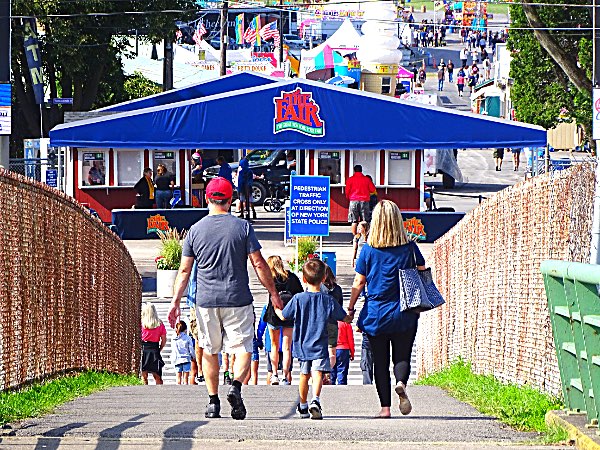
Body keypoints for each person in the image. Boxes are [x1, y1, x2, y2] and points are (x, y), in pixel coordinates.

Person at [168, 177, 283, 420]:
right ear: (231, 200)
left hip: (205, 301)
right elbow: (259, 263)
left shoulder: (195, 231)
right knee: (243, 348)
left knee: (210, 350)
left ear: (207, 199)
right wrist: (273, 293)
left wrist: (175, 301)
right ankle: (235, 387)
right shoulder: (242, 227)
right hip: (238, 299)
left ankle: (212, 402)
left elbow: (185, 271)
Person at [347, 200, 427, 418]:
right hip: (405, 310)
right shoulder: (410, 247)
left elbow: (359, 282)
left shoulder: (369, 250)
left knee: (380, 362)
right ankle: (400, 382)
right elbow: (422, 269)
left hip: (376, 313)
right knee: (402, 356)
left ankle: (385, 409)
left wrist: (351, 307)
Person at [275, 259, 352, 420]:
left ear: (304, 279)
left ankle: (303, 405)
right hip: (320, 345)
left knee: (304, 375)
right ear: (324, 278)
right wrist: (350, 316)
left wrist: (276, 308)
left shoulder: (298, 299)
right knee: (317, 373)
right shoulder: (328, 300)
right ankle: (315, 400)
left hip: (302, 346)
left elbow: (284, 316)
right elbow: (344, 318)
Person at [264, 255, 304, 385]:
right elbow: (300, 294)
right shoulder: (291, 277)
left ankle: (274, 374)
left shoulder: (271, 279)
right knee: (287, 347)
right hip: (289, 314)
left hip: (274, 314)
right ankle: (285, 376)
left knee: (274, 346)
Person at [321, 266, 343, 384]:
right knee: (332, 350)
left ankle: (321, 372)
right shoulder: (337, 289)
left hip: (319, 322)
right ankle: (328, 372)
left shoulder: (318, 288)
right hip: (333, 322)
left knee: (319, 348)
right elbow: (340, 306)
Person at [345, 165, 377, 236]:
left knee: (354, 220)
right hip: (364, 201)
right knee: (365, 220)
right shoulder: (367, 179)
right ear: (361, 170)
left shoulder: (350, 179)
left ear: (354, 170)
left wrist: (349, 197)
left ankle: (355, 237)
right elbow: (373, 189)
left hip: (353, 200)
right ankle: (364, 237)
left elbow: (347, 191)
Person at [141, 302, 167, 385]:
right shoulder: (160, 324)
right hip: (154, 349)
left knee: (144, 375)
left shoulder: (141, 324)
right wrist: (160, 348)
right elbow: (164, 339)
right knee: (157, 376)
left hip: (143, 348)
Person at [331, 320, 354, 385]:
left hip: (331, 349)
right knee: (342, 371)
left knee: (331, 371)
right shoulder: (346, 323)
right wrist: (352, 353)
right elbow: (350, 339)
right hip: (343, 349)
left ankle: (330, 388)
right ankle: (341, 388)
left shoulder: (328, 321)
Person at [173, 320, 195, 385]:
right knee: (186, 379)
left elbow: (173, 349)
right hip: (186, 359)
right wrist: (193, 356)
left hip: (177, 359)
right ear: (185, 329)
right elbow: (191, 349)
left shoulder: (174, 338)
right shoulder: (188, 338)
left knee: (178, 379)